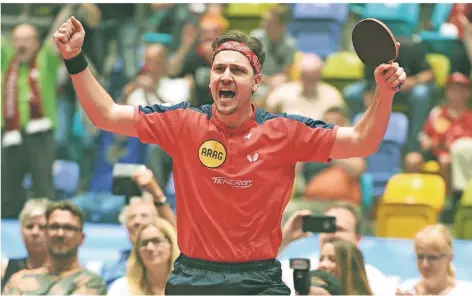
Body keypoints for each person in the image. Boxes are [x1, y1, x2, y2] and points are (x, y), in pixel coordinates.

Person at [53, 16, 406, 295]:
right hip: (193, 277)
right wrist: (75, 59)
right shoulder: (183, 122)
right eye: (218, 68)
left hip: (258, 280)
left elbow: (362, 141)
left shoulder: (284, 131)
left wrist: (384, 91)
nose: (225, 76)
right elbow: (106, 115)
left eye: (237, 70)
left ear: (256, 82)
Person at [280, 203, 394, 295]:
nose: (332, 234)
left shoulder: (375, 281)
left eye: (340, 229)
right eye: (327, 227)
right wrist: (283, 239)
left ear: (357, 239)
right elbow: (263, 272)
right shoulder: (298, 270)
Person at [3, 201, 107, 295]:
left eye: (68, 228)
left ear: (81, 238)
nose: (60, 234)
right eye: (54, 227)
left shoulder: (91, 282)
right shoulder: (20, 279)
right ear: (46, 233)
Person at [107, 218, 179, 295]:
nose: (150, 248)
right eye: (144, 243)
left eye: (156, 241)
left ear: (172, 245)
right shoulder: (121, 288)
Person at [396, 224, 472, 295]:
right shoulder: (406, 288)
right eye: (420, 257)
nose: (424, 264)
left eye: (432, 258)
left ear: (450, 258)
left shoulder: (466, 291)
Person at [1, 199, 50, 292]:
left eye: (42, 227)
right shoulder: (9, 269)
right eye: (29, 226)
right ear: (21, 230)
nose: (35, 232)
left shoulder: (65, 272)